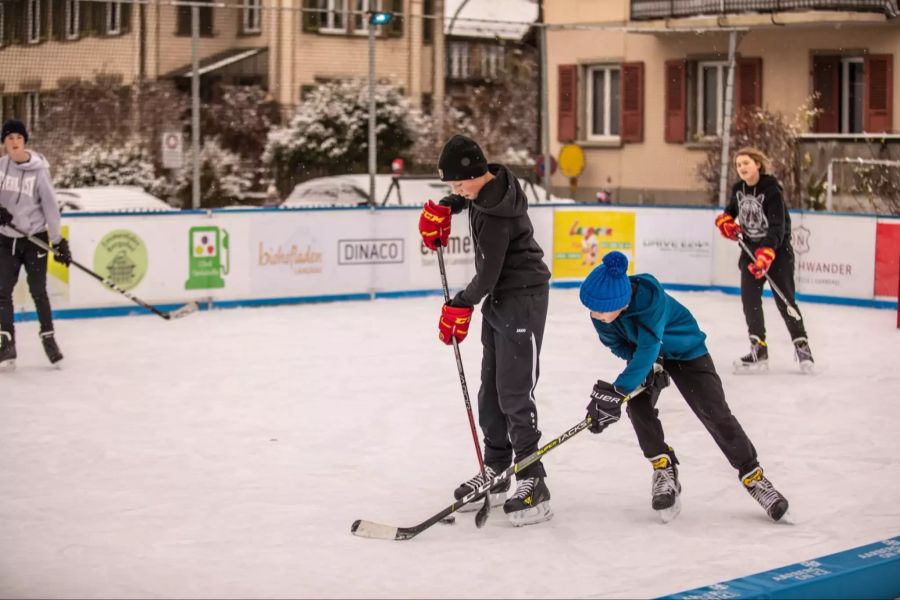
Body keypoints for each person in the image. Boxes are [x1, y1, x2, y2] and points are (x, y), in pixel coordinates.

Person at [580, 251, 790, 523]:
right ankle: (663, 468)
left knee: (715, 413)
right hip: (649, 356)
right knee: (637, 405)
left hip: (687, 353)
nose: (594, 314)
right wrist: (627, 386)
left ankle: (754, 476)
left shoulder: (650, 300)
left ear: (619, 301)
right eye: (591, 308)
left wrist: (618, 390)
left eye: (599, 308)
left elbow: (649, 346)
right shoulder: (602, 317)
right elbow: (620, 346)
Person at [417, 134, 552, 526]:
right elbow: (473, 194)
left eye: (459, 184)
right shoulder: (488, 188)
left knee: (514, 391)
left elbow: (487, 276)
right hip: (500, 302)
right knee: (489, 388)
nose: (457, 191)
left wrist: (459, 304)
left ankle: (533, 479)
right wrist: (449, 205)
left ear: (477, 174)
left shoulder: (496, 215)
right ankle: (496, 468)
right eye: (451, 186)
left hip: (522, 299)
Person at [715, 147, 813, 373]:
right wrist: (726, 223)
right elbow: (730, 211)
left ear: (757, 164)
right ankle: (758, 349)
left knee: (785, 301)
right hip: (750, 253)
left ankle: (802, 347)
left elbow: (778, 226)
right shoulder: (738, 188)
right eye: (738, 165)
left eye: (746, 163)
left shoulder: (771, 189)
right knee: (750, 301)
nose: (742, 168)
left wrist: (767, 252)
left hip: (777, 254)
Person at [0, 118, 71, 369]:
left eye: (19, 138)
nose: (15, 142)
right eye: (10, 138)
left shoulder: (39, 170)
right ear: (4, 144)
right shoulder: (0, 167)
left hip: (35, 239)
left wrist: (58, 241)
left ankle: (49, 339)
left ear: (24, 141)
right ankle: (6, 344)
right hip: (6, 239)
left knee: (38, 291)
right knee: (2, 292)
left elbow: (50, 206)